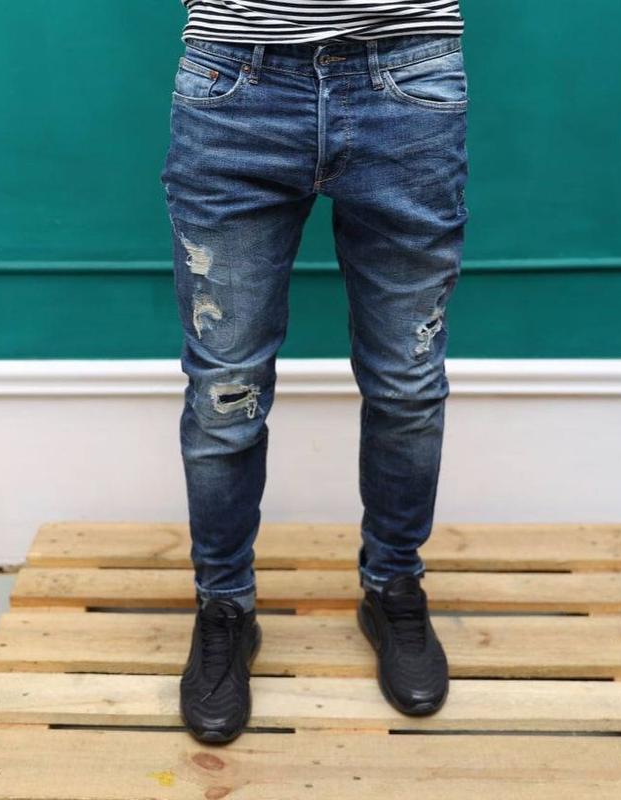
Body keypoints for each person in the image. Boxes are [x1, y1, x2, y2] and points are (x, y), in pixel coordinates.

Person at [160, 0, 468, 744]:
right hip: (233, 78)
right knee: (225, 390)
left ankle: (394, 585)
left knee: (408, 382)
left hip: (410, 73)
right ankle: (224, 604)